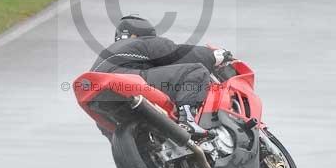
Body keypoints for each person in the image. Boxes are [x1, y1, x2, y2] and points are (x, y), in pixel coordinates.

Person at [90, 15, 232, 134]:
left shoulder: (106, 54)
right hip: (126, 79)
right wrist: (214, 55)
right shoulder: (142, 42)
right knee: (195, 71)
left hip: (98, 97)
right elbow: (177, 53)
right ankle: (188, 120)